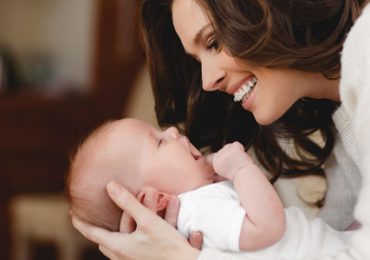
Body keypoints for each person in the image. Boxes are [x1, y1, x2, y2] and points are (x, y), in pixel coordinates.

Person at [71, 0, 370, 259]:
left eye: (214, 42)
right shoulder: (344, 115)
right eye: (198, 60)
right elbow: (333, 240)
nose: (206, 81)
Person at [67, 118, 350, 259]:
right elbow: (267, 228)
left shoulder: (198, 211)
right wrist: (240, 169)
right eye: (160, 142)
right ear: (156, 199)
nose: (173, 132)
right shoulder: (200, 212)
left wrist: (211, 172)